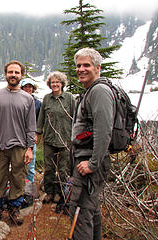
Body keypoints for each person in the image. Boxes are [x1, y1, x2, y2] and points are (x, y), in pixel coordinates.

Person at [69, 48, 115, 239]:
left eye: (86, 65)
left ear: (97, 67)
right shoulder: (91, 91)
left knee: (79, 212)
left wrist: (93, 164)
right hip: (85, 161)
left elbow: (103, 131)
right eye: (78, 65)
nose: (81, 69)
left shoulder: (100, 91)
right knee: (90, 209)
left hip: (89, 163)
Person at [0, 60, 36, 225]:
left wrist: (30, 148)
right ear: (5, 74)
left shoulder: (27, 99)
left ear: (21, 75)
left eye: (16, 72)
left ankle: (15, 209)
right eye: (10, 72)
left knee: (18, 178)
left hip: (20, 147)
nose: (13, 75)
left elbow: (31, 126)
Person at [36, 71, 75, 211]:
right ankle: (49, 192)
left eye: (58, 82)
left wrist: (76, 136)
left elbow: (76, 118)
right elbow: (41, 117)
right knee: (49, 168)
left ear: (62, 84)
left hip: (66, 139)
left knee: (64, 169)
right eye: (53, 82)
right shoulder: (47, 99)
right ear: (49, 84)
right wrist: (37, 132)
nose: (55, 84)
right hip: (49, 139)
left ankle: (61, 193)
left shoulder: (69, 98)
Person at [20, 78, 41, 183]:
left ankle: (29, 186)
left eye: (30, 87)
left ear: (33, 89)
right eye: (26, 87)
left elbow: (39, 120)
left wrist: (36, 134)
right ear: (22, 88)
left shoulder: (37, 103)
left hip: (31, 135)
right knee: (18, 161)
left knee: (30, 162)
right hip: (18, 135)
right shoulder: (17, 99)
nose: (28, 89)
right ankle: (18, 184)